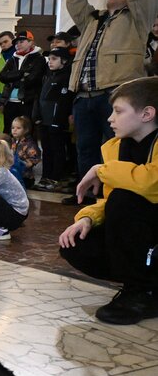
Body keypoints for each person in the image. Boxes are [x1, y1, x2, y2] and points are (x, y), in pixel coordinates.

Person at [58, 77, 158, 325]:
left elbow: (151, 183)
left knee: (125, 201)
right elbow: (111, 199)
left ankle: (141, 292)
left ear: (146, 113)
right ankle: (142, 284)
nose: (110, 119)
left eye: (118, 111)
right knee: (77, 244)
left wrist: (101, 170)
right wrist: (87, 217)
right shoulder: (115, 148)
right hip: (144, 233)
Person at [66, 0, 158, 206]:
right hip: (84, 94)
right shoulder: (93, 20)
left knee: (117, 148)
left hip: (114, 93)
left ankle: (114, 196)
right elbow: (74, 1)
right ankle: (89, 196)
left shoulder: (138, 19)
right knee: (86, 149)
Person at [33, 47, 75, 192]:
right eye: (49, 59)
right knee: (47, 149)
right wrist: (37, 115)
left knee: (58, 150)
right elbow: (40, 97)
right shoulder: (48, 76)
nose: (50, 62)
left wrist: (61, 118)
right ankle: (46, 176)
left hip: (57, 120)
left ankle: (56, 178)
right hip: (45, 119)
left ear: (63, 61)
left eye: (54, 59)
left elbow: (65, 101)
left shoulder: (66, 77)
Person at [0, 30, 47, 135]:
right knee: (8, 131)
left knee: (26, 132)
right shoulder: (13, 58)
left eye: (21, 41)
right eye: (16, 42)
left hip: (27, 101)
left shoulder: (39, 59)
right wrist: (21, 74)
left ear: (31, 42)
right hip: (10, 101)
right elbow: (2, 76)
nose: (18, 45)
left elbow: (32, 79)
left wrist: (12, 77)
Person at [0, 31, 16, 129]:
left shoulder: (19, 59)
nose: (3, 45)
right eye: (0, 43)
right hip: (0, 101)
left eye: (5, 41)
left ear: (13, 41)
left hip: (15, 100)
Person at [11, 116, 41, 189]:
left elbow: (34, 160)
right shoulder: (14, 141)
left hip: (25, 177)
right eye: (13, 128)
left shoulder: (29, 144)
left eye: (18, 128)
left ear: (26, 130)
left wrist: (22, 163)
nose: (14, 130)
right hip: (14, 174)